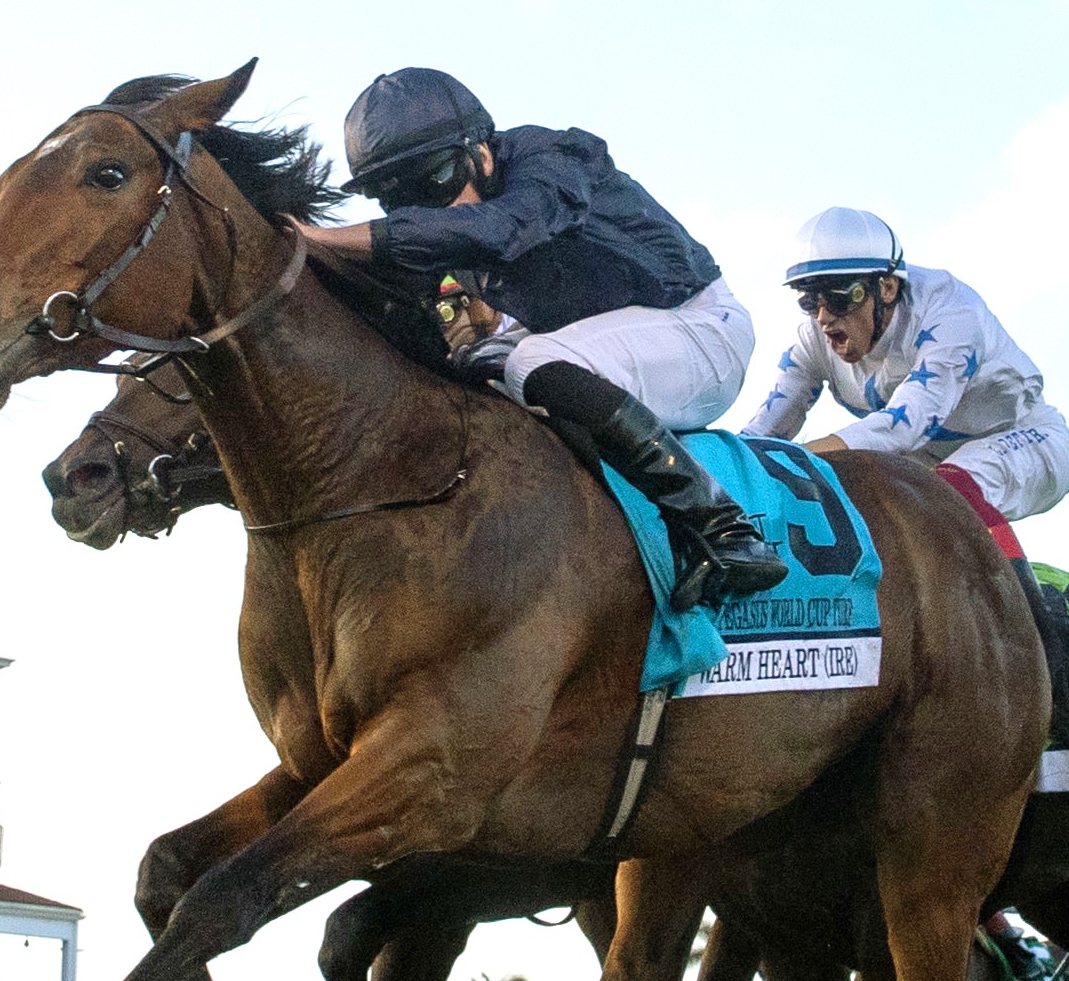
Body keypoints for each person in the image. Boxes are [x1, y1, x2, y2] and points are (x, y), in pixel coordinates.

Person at [295, 67, 785, 609]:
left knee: (533, 358)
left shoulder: (553, 158)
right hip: (605, 348)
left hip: (701, 330)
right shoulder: (451, 213)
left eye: (430, 180)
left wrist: (316, 237)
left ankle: (724, 527)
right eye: (396, 197)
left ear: (481, 153)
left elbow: (501, 230)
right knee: (467, 364)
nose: (421, 210)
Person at [743, 208, 1069, 525]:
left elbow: (904, 426)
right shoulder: (812, 339)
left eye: (839, 297)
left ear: (887, 288)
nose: (824, 316)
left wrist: (789, 463)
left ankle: (1017, 585)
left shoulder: (953, 315)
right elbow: (761, 435)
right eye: (809, 300)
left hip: (1026, 437)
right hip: (922, 456)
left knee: (945, 491)